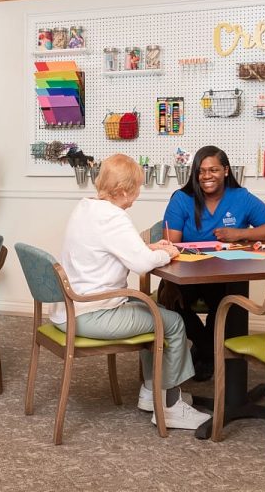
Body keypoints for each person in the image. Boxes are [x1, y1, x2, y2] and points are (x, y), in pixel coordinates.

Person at [50, 154, 209, 430]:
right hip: (92, 313)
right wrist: (167, 253)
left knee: (151, 312)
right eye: (136, 188)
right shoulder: (114, 218)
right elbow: (142, 265)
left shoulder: (87, 208)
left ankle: (151, 393)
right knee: (171, 323)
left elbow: (115, 249)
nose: (137, 195)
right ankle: (170, 407)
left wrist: (149, 248)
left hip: (70, 309)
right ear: (123, 191)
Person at [163, 146, 265, 381]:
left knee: (227, 307)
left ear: (226, 171)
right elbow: (170, 246)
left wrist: (240, 233)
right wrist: (170, 282)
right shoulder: (182, 199)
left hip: (226, 276)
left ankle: (206, 355)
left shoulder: (240, 197)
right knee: (171, 304)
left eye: (214, 170)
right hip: (186, 275)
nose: (207, 176)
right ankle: (208, 350)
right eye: (201, 171)